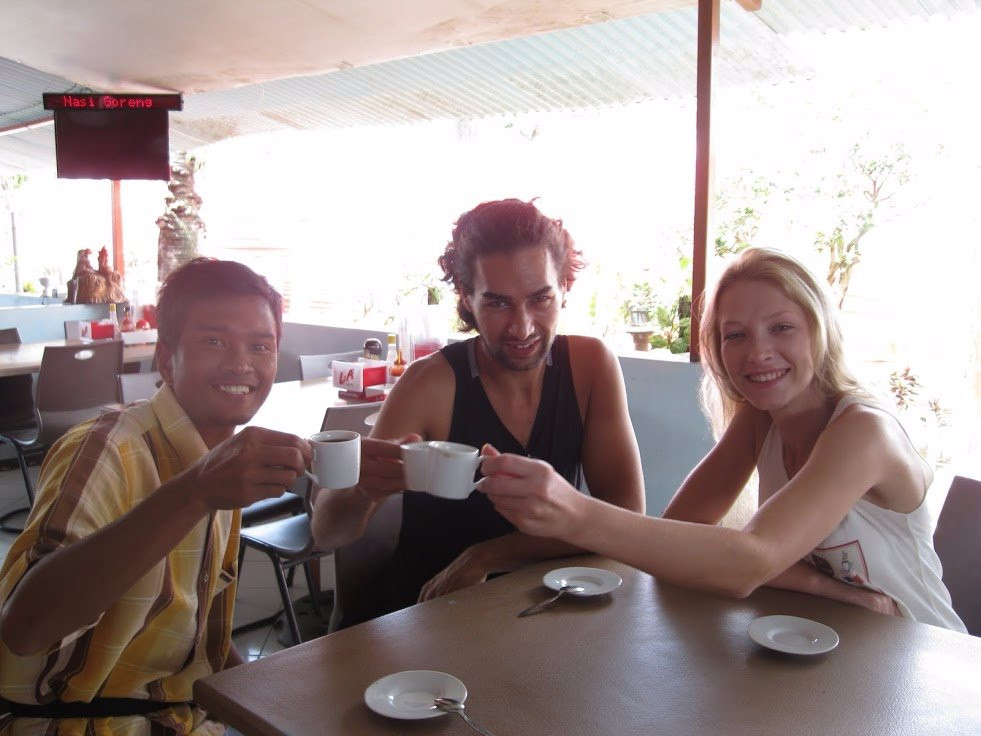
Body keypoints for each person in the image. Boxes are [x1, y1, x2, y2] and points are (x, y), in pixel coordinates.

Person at [478, 247, 965, 632]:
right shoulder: (760, 420)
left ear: (820, 330)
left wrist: (575, 512)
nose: (759, 353)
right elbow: (686, 536)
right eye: (736, 336)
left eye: (782, 328)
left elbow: (745, 562)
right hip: (837, 643)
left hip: (926, 659)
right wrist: (831, 591)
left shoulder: (864, 431)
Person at [0, 259, 314, 733]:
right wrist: (194, 492)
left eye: (260, 346)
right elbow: (24, 629)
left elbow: (195, 628)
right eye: (214, 341)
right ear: (166, 359)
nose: (241, 363)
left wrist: (269, 701)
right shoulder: (108, 448)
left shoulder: (219, 456)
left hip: (185, 718)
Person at [312, 198, 645, 627]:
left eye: (540, 298)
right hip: (436, 617)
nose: (523, 328)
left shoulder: (590, 366)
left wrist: (490, 554)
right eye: (498, 304)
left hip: (551, 609)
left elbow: (627, 514)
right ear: (467, 299)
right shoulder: (428, 384)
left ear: (564, 287)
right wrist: (362, 491)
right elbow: (327, 533)